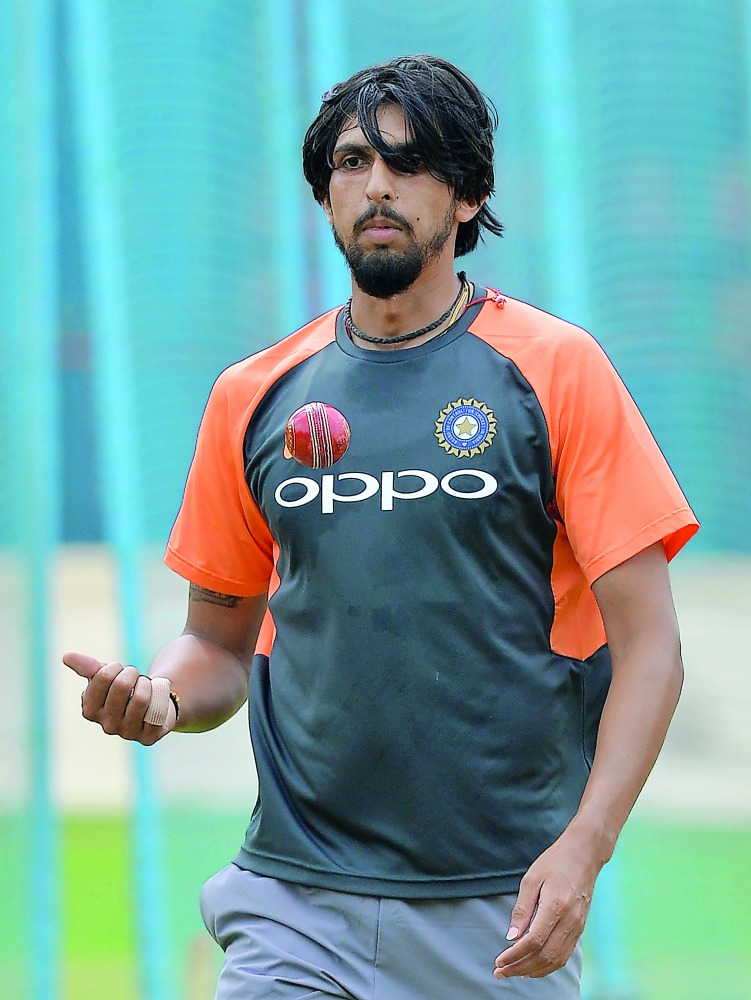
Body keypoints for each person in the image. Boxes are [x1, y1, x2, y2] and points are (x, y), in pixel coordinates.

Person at [64, 54, 699, 998]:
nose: (376, 186)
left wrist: (585, 845)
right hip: (293, 900)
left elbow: (651, 648)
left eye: (409, 162)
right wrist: (161, 695)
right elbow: (217, 644)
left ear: (469, 194)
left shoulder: (554, 370)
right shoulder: (255, 394)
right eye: (353, 161)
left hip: (496, 912)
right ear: (324, 194)